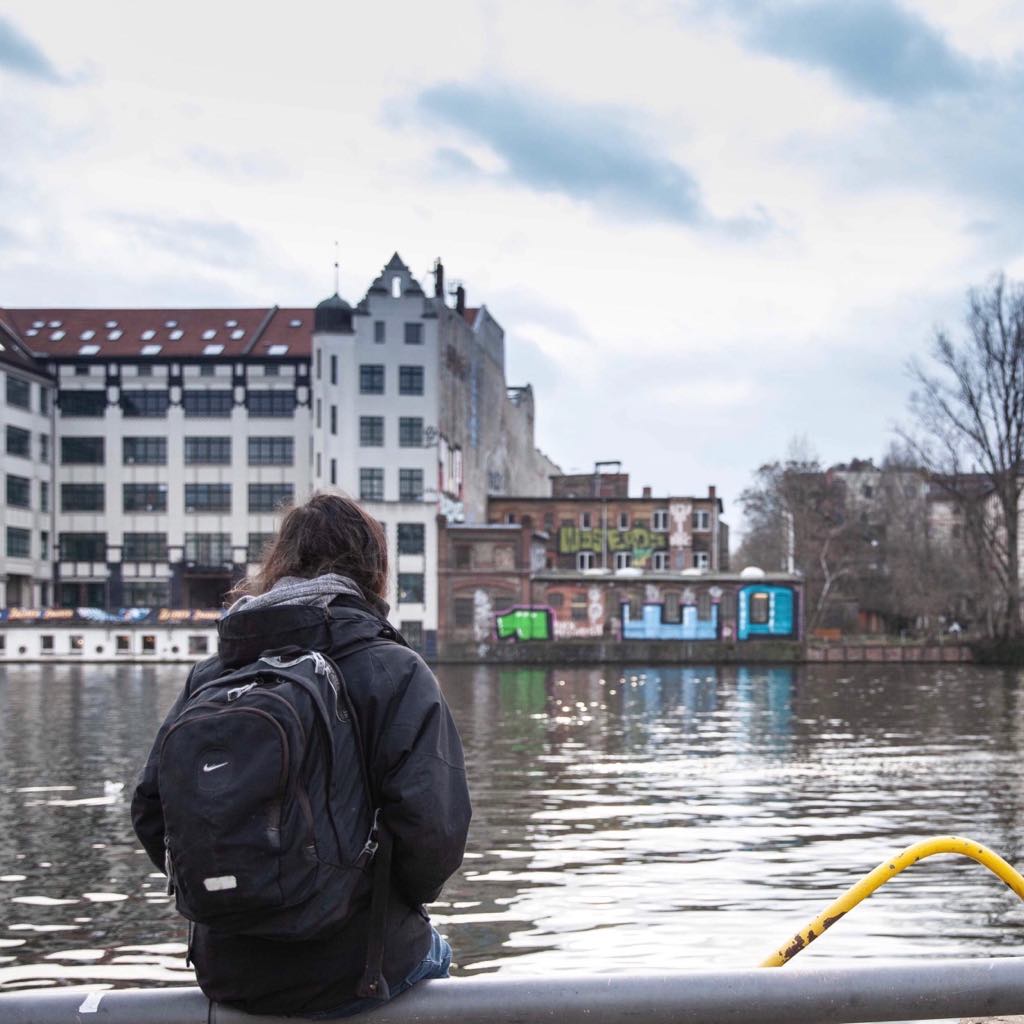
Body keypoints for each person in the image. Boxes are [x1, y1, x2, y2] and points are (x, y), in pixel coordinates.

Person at [131, 492, 472, 1017]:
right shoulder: (396, 669)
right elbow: (435, 835)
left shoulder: (213, 674)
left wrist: (231, 897)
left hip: (229, 971)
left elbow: (154, 813)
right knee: (439, 957)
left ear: (278, 562)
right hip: (356, 970)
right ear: (374, 568)